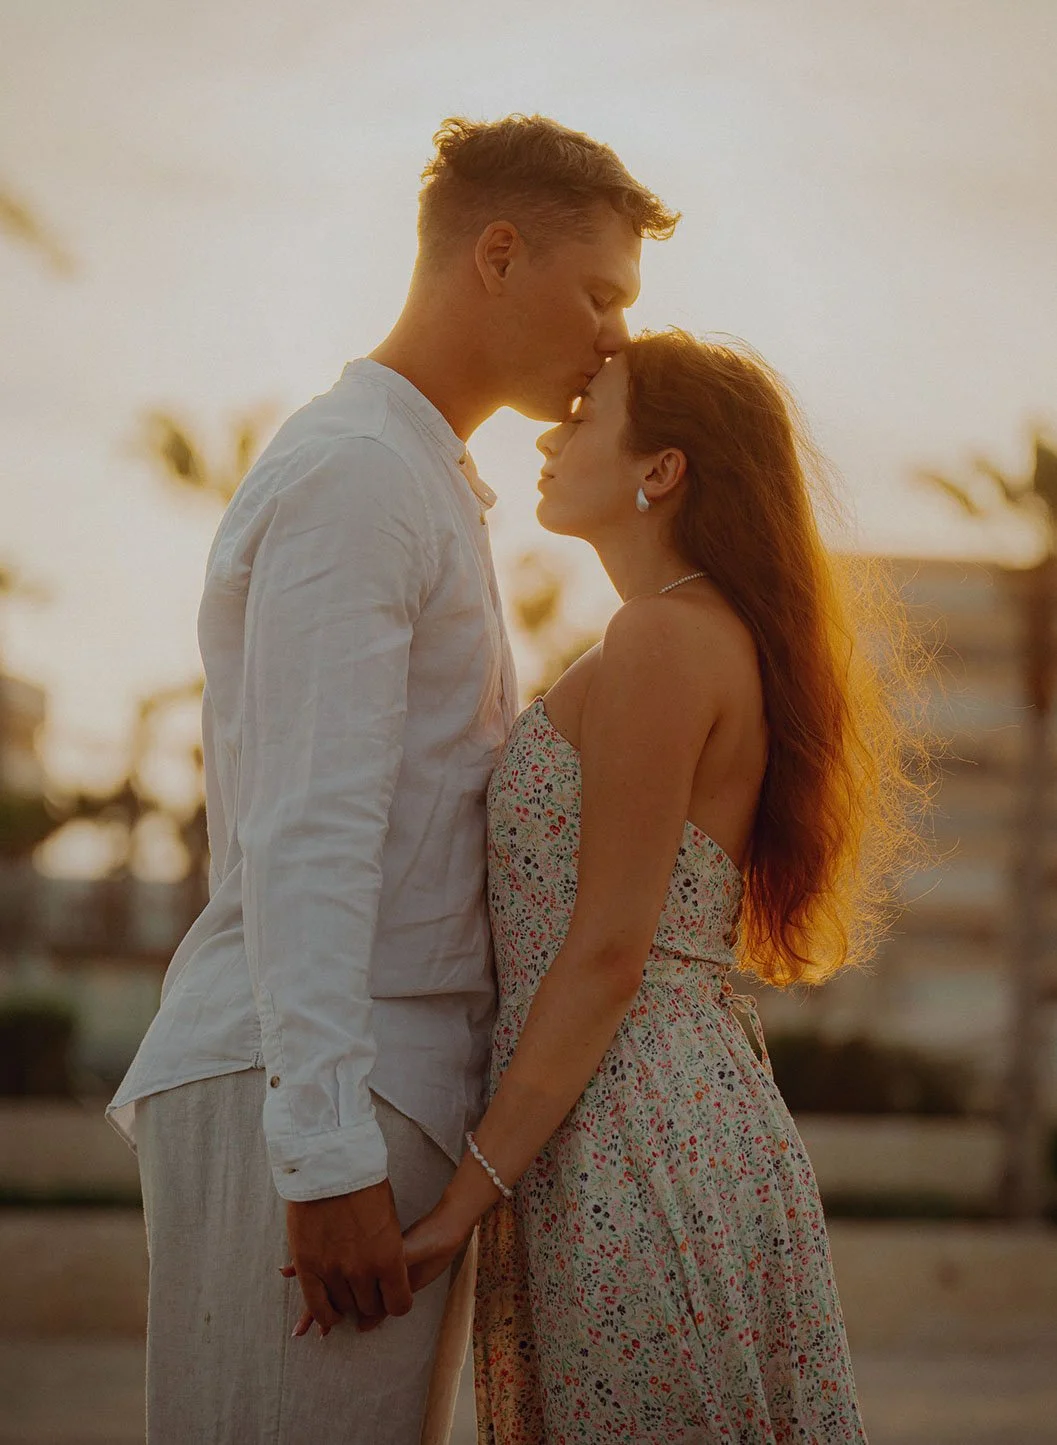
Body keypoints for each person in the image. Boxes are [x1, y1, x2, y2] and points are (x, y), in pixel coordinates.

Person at [105, 116, 678, 1444]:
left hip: (369, 1086)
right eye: (600, 293)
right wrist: (320, 1153)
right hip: (312, 1090)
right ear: (495, 252)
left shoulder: (424, 475)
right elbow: (312, 824)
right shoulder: (360, 474)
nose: (614, 337)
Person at [396, 331, 925, 1441]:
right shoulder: (685, 634)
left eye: (587, 412)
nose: (551, 430)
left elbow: (605, 951)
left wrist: (459, 1202)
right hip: (658, 1112)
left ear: (662, 468)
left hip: (630, 1129)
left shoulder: (661, 639)